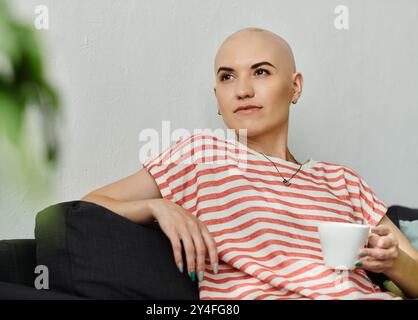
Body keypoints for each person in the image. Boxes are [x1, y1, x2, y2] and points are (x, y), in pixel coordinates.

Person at [81, 27, 418, 300]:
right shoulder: (201, 155)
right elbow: (89, 206)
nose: (242, 90)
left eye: (260, 72)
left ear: (294, 87)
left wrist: (393, 262)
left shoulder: (343, 181)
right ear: (217, 99)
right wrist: (157, 207)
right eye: (227, 77)